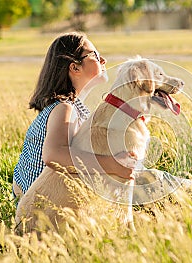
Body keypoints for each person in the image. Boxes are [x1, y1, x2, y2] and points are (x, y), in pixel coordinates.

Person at [13, 32, 135, 200]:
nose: (103, 60)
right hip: (43, 201)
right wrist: (111, 164)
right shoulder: (64, 108)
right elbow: (54, 154)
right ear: (75, 67)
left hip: (49, 197)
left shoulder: (76, 108)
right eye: (95, 55)